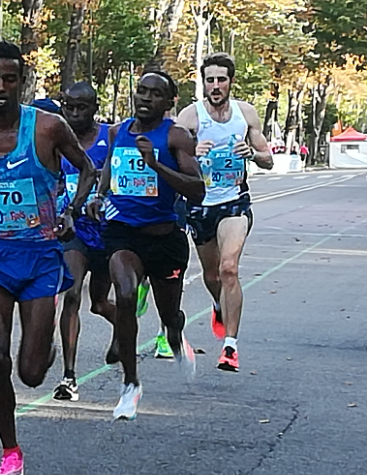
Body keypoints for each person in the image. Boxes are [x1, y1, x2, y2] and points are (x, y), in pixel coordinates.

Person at [0, 42, 95, 475]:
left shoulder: (47, 128)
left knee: (31, 372)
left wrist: (73, 209)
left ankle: (45, 349)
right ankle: (10, 452)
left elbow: (88, 170)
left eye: (10, 79)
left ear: (22, 82)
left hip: (40, 256)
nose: (0, 88)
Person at [84, 71, 204, 419]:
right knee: (124, 293)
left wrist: (155, 165)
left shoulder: (176, 137)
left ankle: (174, 332)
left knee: (169, 314)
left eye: (155, 94)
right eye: (141, 91)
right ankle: (130, 383)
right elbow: (109, 167)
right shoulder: (117, 131)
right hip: (123, 233)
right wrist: (100, 194)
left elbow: (197, 189)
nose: (146, 98)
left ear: (169, 104)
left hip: (164, 238)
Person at [173, 53, 273, 371]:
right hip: (201, 204)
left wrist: (253, 154)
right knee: (213, 274)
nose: (216, 86)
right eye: (210, 80)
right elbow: (169, 158)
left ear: (231, 81)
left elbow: (268, 159)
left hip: (235, 202)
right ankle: (219, 304)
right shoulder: (190, 117)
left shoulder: (246, 114)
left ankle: (230, 347)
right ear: (203, 83)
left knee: (230, 268)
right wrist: (190, 151)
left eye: (221, 79)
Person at [51, 81, 117, 401]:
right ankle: (69, 376)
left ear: (95, 107)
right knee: (72, 294)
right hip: (74, 227)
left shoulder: (111, 136)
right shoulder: (56, 139)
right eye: (69, 107)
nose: (75, 114)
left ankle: (122, 327)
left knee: (101, 302)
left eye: (82, 107)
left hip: (108, 230)